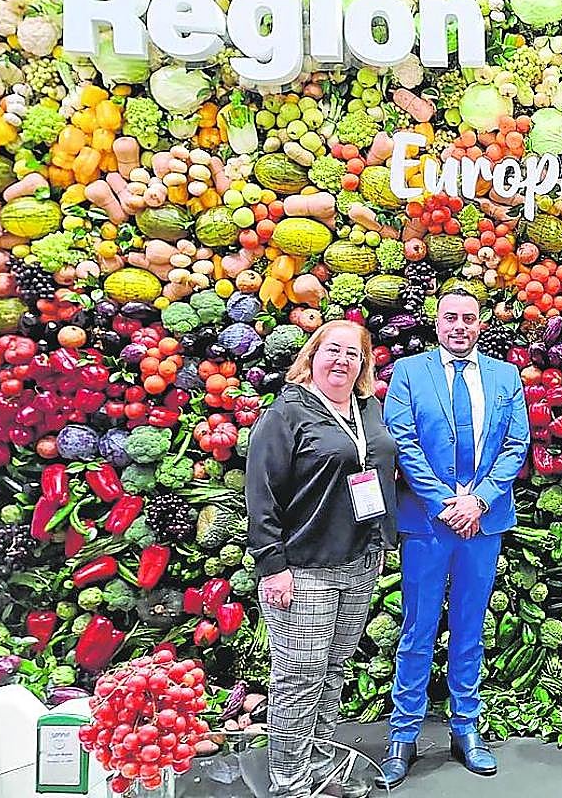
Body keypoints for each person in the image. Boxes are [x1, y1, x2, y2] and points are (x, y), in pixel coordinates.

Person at [377, 289, 530, 788]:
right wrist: (447, 501)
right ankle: (403, 735)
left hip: (482, 522)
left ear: (480, 323)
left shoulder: (505, 376)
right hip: (428, 521)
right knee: (418, 629)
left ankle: (466, 728)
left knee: (469, 626)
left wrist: (479, 500)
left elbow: (517, 443)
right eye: (450, 318)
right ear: (436, 321)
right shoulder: (408, 373)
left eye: (468, 318)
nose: (459, 326)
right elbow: (403, 441)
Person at [245, 320, 398, 798]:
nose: (342, 361)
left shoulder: (367, 406)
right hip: (304, 566)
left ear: (364, 365)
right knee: (298, 677)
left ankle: (321, 769)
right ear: (312, 355)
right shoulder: (287, 412)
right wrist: (272, 565)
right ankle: (289, 782)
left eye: (353, 355)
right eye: (334, 351)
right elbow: (261, 492)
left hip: (359, 559)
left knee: (333, 671)